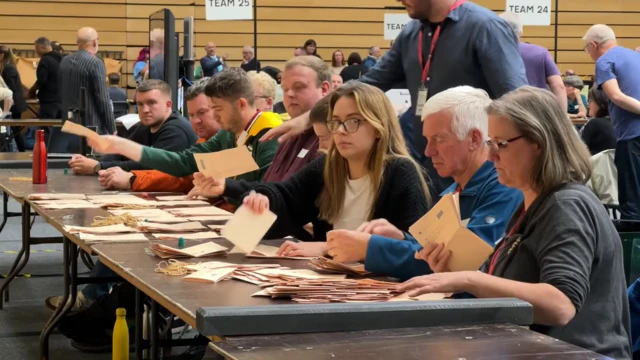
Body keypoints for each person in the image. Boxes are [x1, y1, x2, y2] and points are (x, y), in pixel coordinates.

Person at [401, 86, 631, 360]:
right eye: (490, 144)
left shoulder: (565, 205)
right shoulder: (532, 204)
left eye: (501, 144)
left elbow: (560, 305)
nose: (491, 156)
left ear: (539, 142)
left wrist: (469, 279)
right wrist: (456, 274)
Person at [262, 0, 528, 198]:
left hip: (473, 168)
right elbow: (369, 83)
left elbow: (517, 101)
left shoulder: (485, 27)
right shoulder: (412, 33)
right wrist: (310, 117)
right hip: (425, 161)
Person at [326, 86, 522, 280]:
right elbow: (430, 248)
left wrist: (371, 248)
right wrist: (401, 238)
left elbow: (458, 261)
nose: (428, 151)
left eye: (439, 139)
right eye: (427, 140)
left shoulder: (503, 187)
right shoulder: (454, 190)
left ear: (473, 138)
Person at [241, 82, 431, 257]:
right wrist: (263, 199)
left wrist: (327, 247)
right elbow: (286, 196)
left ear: (378, 128)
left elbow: (416, 252)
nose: (340, 131)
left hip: (383, 288)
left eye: (353, 121)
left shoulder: (401, 172)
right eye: (336, 122)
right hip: (330, 282)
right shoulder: (326, 165)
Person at [87, 69, 281, 201]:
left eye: (217, 109)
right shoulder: (227, 134)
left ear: (240, 104)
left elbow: (269, 195)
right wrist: (123, 146)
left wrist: (224, 189)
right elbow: (184, 162)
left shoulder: (269, 136)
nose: (214, 115)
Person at [185, 56, 330, 216]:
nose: (289, 94)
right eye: (285, 88)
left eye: (299, 87)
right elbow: (272, 189)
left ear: (324, 89)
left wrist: (311, 117)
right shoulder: (285, 132)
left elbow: (293, 202)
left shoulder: (329, 135)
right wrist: (226, 187)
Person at [68, 80, 197, 175]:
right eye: (140, 104)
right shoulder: (145, 125)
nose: (145, 110)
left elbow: (152, 167)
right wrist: (89, 162)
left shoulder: (176, 131)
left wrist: (99, 166)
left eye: (151, 103)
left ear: (168, 105)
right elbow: (121, 152)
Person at [584, 24, 640, 220]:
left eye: (586, 49)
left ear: (594, 44)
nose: (588, 53)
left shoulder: (604, 61)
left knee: (632, 203)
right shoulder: (636, 56)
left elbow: (615, 96)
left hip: (631, 137)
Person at [499, 12, 566, 111]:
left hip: (503, 111)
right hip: (537, 112)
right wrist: (562, 117)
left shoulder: (490, 53)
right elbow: (558, 85)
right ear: (521, 31)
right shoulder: (541, 52)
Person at [59, 27, 115, 139]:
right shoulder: (95, 63)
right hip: (91, 125)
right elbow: (102, 98)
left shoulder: (64, 61)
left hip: (68, 123)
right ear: (95, 42)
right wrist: (112, 129)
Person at [0, 45, 27, 151]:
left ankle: (22, 150)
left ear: (2, 55)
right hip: (14, 103)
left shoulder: (8, 68)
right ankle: (20, 150)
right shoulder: (9, 66)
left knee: (16, 131)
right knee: (15, 130)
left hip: (14, 104)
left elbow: (11, 88)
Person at [29, 37, 63, 119]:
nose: (36, 51)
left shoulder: (45, 60)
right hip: (62, 100)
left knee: (46, 128)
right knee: (59, 130)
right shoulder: (62, 59)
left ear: (43, 47)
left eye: (37, 48)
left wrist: (32, 91)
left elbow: (42, 80)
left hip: (48, 101)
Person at [581, 87, 616, 155]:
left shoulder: (595, 123)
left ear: (600, 102)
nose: (588, 104)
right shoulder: (619, 124)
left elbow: (580, 151)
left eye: (591, 100)